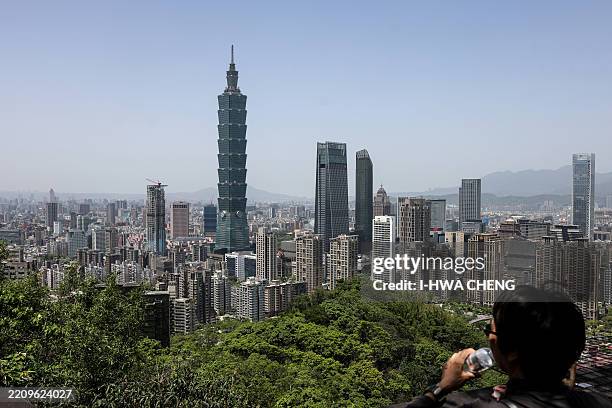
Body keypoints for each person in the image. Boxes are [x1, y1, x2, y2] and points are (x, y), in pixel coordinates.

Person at [396, 286, 612, 407]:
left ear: (512, 352)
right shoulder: (598, 402)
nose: (490, 338)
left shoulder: (464, 405)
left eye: (492, 331)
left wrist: (440, 388)